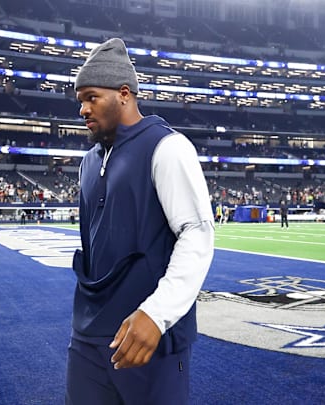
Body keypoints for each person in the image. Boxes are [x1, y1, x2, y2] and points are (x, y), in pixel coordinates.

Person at [67, 38, 215, 404]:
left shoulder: (167, 147)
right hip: (88, 335)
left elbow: (196, 233)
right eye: (80, 101)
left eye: (91, 97)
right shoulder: (87, 163)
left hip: (149, 336)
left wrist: (156, 314)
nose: (83, 109)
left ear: (124, 93)